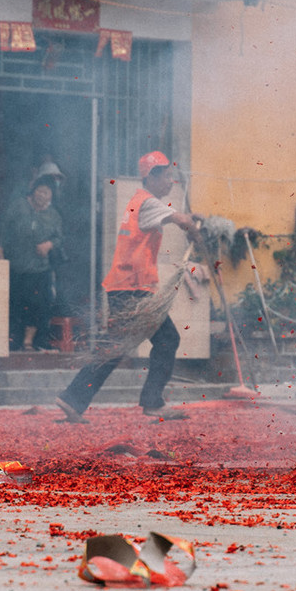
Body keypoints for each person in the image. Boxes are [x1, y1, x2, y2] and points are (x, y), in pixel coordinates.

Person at [56, 151, 201, 423]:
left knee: (115, 347)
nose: (170, 181)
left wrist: (189, 217)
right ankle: (152, 402)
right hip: (133, 289)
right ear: (152, 177)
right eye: (166, 176)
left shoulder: (140, 203)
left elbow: (174, 216)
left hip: (126, 287)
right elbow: (179, 220)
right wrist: (193, 225)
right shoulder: (147, 202)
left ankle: (72, 399)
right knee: (167, 339)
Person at [3, 175, 63, 351]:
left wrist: (49, 244)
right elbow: (5, 229)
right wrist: (0, 250)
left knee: (38, 305)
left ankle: (32, 342)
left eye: (47, 192)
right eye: (40, 191)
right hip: (17, 266)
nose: (42, 195)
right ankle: (15, 341)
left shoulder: (53, 215)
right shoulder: (19, 206)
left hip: (40, 268)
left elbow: (59, 237)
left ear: (51, 195)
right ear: (33, 191)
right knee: (16, 304)